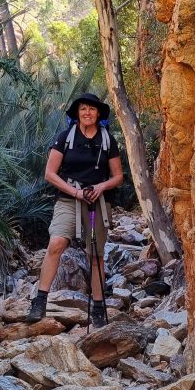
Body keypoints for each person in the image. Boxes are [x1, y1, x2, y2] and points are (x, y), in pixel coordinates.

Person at [27, 92, 124, 328]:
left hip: (97, 202)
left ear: (98, 113)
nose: (87, 113)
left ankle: (99, 309)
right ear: (77, 113)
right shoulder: (65, 138)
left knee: (96, 255)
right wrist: (76, 192)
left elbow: (118, 176)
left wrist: (101, 186)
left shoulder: (107, 140)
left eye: (92, 109)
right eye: (83, 109)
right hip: (69, 199)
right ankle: (40, 301)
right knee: (56, 243)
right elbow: (50, 173)